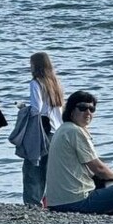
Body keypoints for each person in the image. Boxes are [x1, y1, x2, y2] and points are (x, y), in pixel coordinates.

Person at [45, 91, 113, 214]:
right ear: (71, 111)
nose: (88, 112)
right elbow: (98, 168)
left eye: (92, 109)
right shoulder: (75, 131)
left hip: (56, 202)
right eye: (83, 108)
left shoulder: (63, 129)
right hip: (75, 202)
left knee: (106, 182)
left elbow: (92, 170)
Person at [22, 52, 65, 206]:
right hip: (57, 130)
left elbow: (36, 108)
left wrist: (23, 109)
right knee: (48, 169)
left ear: (36, 65)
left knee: (32, 168)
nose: (29, 67)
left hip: (42, 131)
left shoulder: (36, 83)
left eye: (31, 64)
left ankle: (32, 203)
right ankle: (48, 201)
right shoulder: (55, 83)